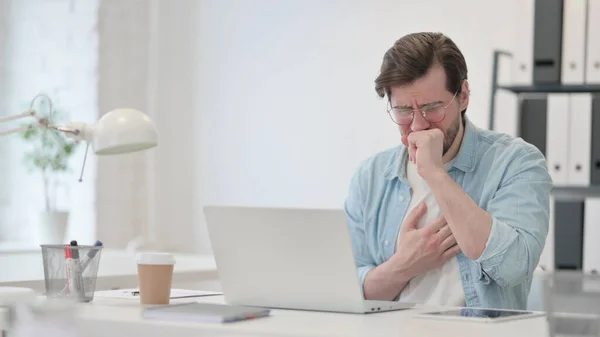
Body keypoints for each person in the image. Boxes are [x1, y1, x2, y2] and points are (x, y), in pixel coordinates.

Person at [344, 32, 552, 310]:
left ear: (463, 96)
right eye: (404, 110)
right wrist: (404, 265)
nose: (418, 125)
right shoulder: (370, 176)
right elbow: (348, 289)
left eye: (432, 108)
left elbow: (512, 267)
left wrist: (436, 175)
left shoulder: (516, 162)